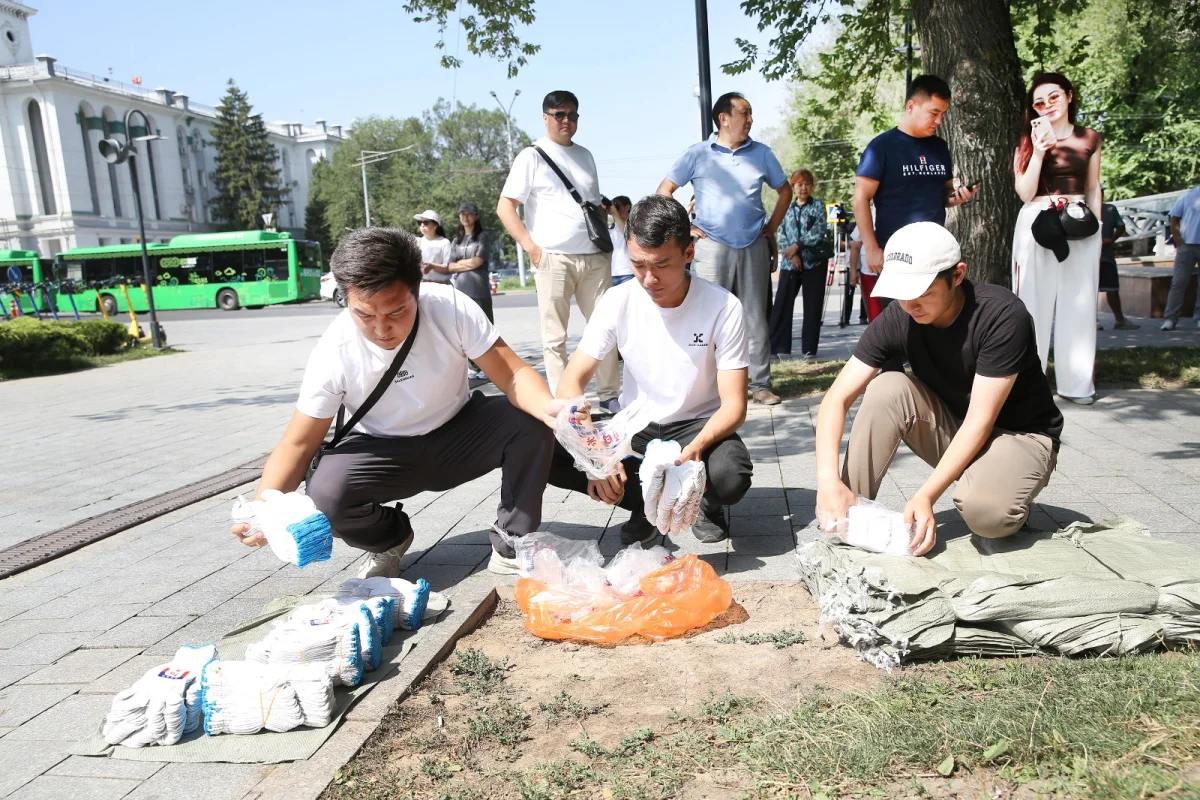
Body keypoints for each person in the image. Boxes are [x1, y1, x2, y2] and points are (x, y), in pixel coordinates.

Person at [229, 227, 560, 578]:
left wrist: (551, 408)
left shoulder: (449, 307)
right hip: (383, 454)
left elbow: (512, 375)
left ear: (417, 287)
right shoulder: (334, 351)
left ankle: (513, 544)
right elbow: (297, 442)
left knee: (531, 419)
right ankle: (389, 539)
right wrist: (264, 509)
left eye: (396, 311)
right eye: (365, 316)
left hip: (460, 436)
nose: (382, 329)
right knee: (325, 494)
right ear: (347, 301)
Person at [814, 222, 1063, 557]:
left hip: (1021, 437)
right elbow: (835, 399)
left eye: (924, 293)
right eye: (902, 293)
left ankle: (1000, 489)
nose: (911, 305)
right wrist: (829, 482)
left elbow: (981, 421)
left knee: (986, 515)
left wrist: (925, 495)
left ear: (958, 275)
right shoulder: (899, 316)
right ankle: (847, 512)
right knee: (887, 386)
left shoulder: (1002, 316)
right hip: (955, 427)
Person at [548, 195, 754, 544]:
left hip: (697, 424)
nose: (648, 279)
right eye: (638, 264)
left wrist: (698, 448)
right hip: (638, 426)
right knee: (545, 450)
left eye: (661, 265)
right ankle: (645, 505)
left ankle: (706, 502)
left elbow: (734, 406)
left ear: (689, 254)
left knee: (730, 474)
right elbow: (571, 382)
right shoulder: (618, 300)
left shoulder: (723, 307)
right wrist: (595, 455)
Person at [656, 92, 793, 406]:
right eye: (744, 113)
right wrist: (684, 227)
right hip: (712, 247)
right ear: (723, 118)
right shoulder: (698, 154)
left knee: (755, 317)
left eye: (751, 113)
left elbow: (784, 192)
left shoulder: (762, 153)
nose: (749, 119)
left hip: (753, 246)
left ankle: (760, 385)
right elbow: (665, 191)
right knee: (707, 315)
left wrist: (771, 228)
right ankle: (708, 388)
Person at [497, 90, 621, 414]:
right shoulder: (532, 156)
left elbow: (593, 205)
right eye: (560, 115)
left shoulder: (586, 155)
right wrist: (532, 249)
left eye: (573, 115)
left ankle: (609, 394)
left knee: (606, 329)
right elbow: (505, 206)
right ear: (545, 117)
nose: (567, 121)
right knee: (555, 337)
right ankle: (564, 399)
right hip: (552, 257)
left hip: (593, 257)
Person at [1012, 72, 1103, 404]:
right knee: (1031, 305)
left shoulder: (1090, 138)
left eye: (1053, 97)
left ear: (1069, 96)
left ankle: (1077, 385)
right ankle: (1028, 387)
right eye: (1039, 101)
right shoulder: (1027, 140)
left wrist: (1098, 230)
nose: (1047, 105)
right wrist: (1038, 152)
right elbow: (1024, 192)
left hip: (1078, 222)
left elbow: (1093, 188)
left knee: (1077, 305)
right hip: (1037, 221)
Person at [853, 74, 978, 288]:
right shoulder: (881, 146)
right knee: (899, 319)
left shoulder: (939, 147)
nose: (939, 120)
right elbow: (860, 198)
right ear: (911, 106)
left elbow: (944, 194)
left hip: (934, 252)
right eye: (934, 113)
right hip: (895, 254)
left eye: (943, 114)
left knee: (934, 320)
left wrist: (956, 197)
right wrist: (871, 248)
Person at [768, 168, 832, 357]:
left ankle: (809, 349)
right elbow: (780, 233)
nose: (803, 188)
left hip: (813, 263)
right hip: (790, 263)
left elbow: (818, 231)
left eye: (806, 184)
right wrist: (791, 254)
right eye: (799, 184)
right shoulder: (786, 207)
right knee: (782, 305)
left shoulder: (818, 206)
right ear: (793, 187)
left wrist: (798, 246)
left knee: (812, 306)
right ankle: (779, 347)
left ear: (812, 186)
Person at [430, 201, 493, 381]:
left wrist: (459, 265)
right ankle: (473, 366)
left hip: (479, 289)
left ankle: (488, 367)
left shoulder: (483, 236)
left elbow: (479, 261)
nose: (464, 216)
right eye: (461, 213)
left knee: (484, 326)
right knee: (464, 327)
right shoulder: (456, 240)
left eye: (468, 213)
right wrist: (465, 264)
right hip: (461, 289)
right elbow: (449, 266)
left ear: (476, 216)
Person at [1161, 183, 1200, 330]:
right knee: (1179, 282)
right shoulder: (1188, 195)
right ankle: (1170, 318)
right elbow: (1174, 218)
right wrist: (1179, 241)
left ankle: (1199, 318)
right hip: (1187, 246)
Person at [1098, 191, 1137, 330]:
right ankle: (1092, 320)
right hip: (1088, 258)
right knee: (1089, 290)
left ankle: (1120, 320)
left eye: (1101, 192)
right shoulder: (1082, 209)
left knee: (1112, 289)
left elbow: (1121, 227)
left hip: (1106, 256)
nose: (1099, 194)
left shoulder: (1109, 209)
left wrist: (1111, 240)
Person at [848, 224, 884, 322]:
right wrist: (853, 271)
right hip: (870, 273)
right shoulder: (867, 214)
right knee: (875, 315)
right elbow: (855, 246)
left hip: (893, 272)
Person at [414, 210, 453, 285]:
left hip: (441, 286)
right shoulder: (417, 242)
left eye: (426, 222)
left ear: (436, 225)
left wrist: (432, 266)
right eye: (420, 222)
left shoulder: (444, 242)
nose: (422, 225)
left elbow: (448, 268)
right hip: (422, 285)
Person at [608, 195, 635, 288]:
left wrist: (615, 214)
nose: (614, 207)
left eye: (616, 205)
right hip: (612, 273)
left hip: (628, 272)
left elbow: (626, 233)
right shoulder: (611, 226)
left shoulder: (634, 223)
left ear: (627, 207)